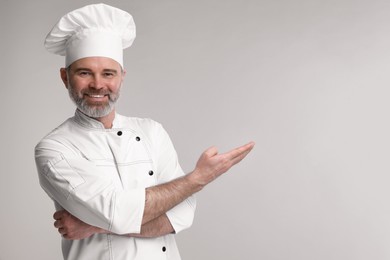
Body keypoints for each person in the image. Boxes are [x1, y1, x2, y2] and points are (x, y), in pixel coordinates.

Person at [35, 3, 255, 260]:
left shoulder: (151, 131)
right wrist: (195, 180)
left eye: (108, 73)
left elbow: (182, 214)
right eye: (85, 73)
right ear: (65, 77)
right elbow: (115, 212)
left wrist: (93, 224)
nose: (97, 84)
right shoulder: (54, 148)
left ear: (121, 77)